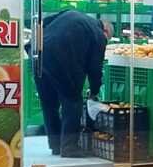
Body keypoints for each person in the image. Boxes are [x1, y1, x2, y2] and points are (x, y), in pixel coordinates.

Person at [34, 11, 113, 157]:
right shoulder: (99, 34)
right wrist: (94, 91)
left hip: (39, 52)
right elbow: (95, 68)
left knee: (49, 104)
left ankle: (55, 145)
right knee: (73, 101)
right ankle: (69, 147)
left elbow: (44, 22)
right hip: (61, 58)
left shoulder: (72, 14)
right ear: (106, 31)